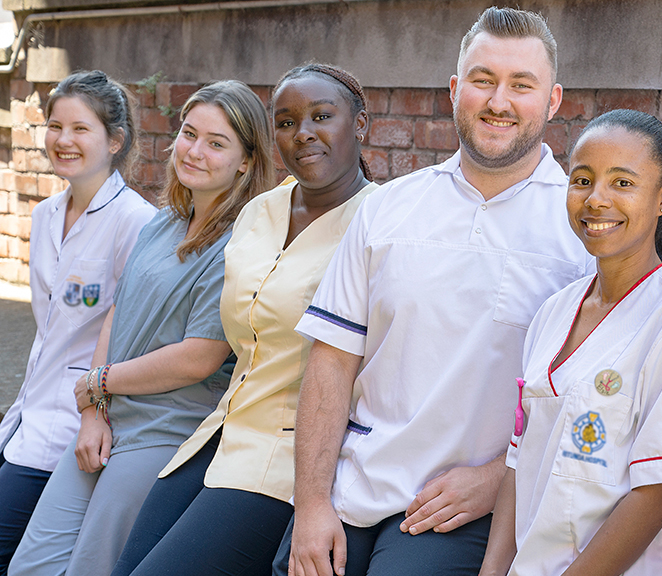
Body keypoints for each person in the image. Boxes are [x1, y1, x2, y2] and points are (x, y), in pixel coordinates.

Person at [279, 6, 592, 576]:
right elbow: (330, 364)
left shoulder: (581, 230)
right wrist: (312, 505)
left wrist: (501, 479)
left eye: (521, 85)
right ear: (454, 90)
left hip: (462, 508)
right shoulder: (387, 209)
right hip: (354, 488)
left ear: (552, 101)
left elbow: (591, 399)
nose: (499, 101)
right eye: (482, 80)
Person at [109, 63, 379, 576]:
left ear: (360, 124)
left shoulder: (380, 222)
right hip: (219, 432)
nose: (303, 134)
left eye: (323, 115)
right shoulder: (260, 212)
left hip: (284, 458)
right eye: (285, 121)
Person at [8, 80, 275, 576]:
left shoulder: (244, 244)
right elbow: (117, 310)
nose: (194, 151)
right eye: (189, 133)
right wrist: (92, 407)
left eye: (216, 143)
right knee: (32, 563)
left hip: (165, 430)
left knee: (91, 566)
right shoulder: (163, 221)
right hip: (107, 415)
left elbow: (200, 356)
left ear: (245, 160)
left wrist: (97, 384)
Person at [478, 109, 662, 576]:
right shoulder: (553, 314)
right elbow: (519, 456)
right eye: (583, 179)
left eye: (623, 183)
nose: (596, 199)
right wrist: (494, 570)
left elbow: (660, 492)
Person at [0, 70, 155, 573]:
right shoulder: (45, 214)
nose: (63, 140)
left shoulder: (136, 222)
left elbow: (127, 333)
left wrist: (94, 411)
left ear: (115, 140)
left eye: (80, 129)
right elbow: (47, 332)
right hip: (26, 416)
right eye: (54, 125)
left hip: (79, 427)